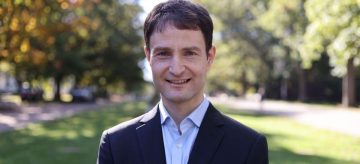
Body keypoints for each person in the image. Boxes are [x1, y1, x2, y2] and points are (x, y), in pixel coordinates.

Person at [97, 0, 268, 164]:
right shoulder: (116, 145)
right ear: (148, 56)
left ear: (209, 57)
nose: (176, 69)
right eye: (163, 53)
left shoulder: (248, 146)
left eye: (189, 53)